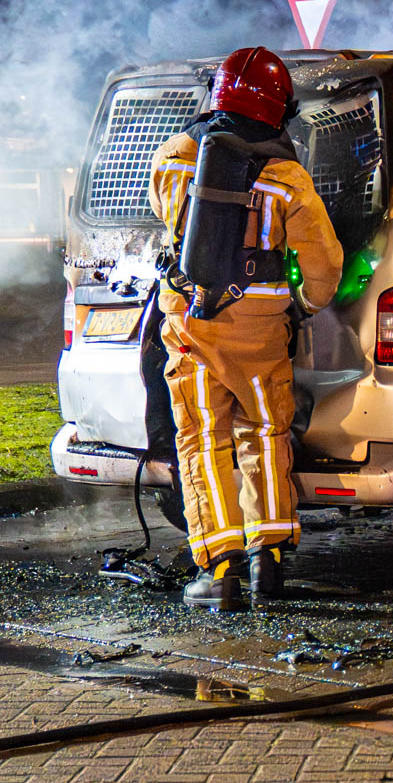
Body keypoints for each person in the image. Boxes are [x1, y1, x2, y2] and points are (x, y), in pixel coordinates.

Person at [148, 46, 343, 610]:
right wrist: (304, 301)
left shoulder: (175, 157)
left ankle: (219, 568)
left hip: (191, 324)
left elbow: (168, 220)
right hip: (260, 331)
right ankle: (268, 562)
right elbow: (325, 265)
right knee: (265, 433)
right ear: (280, 108)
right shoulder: (289, 179)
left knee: (203, 439)